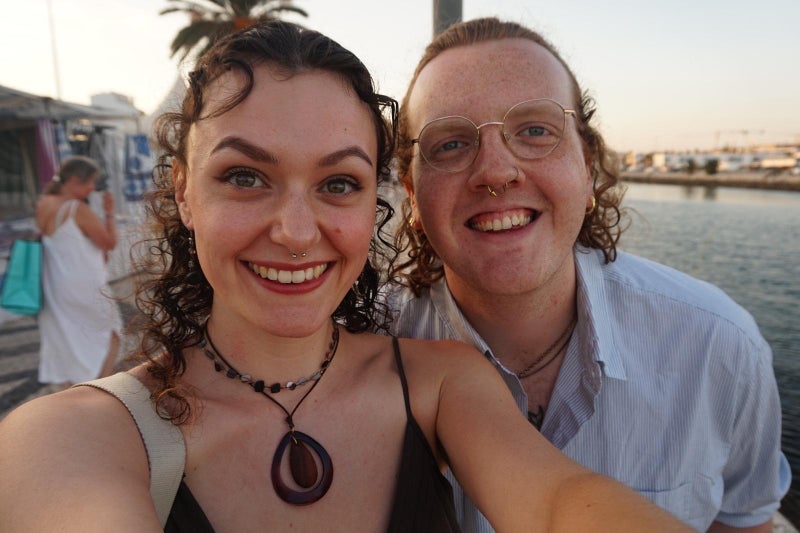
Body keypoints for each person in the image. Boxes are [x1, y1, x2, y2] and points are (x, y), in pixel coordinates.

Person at [0, 20, 688, 532]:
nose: (297, 232)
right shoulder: (71, 438)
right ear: (184, 192)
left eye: (338, 183)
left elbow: (558, 500)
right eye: (245, 176)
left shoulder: (444, 383)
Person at [390, 17, 791, 533]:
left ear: (587, 168)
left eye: (535, 131)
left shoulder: (719, 347)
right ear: (412, 194)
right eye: (449, 143)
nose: (496, 171)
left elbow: (742, 521)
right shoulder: (362, 346)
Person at [33, 155, 122, 389]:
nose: (92, 188)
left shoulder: (44, 203)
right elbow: (109, 242)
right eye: (90, 182)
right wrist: (109, 212)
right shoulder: (76, 209)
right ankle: (97, 389)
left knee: (67, 343)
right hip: (84, 284)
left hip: (54, 284)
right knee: (112, 334)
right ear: (74, 181)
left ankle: (74, 393)